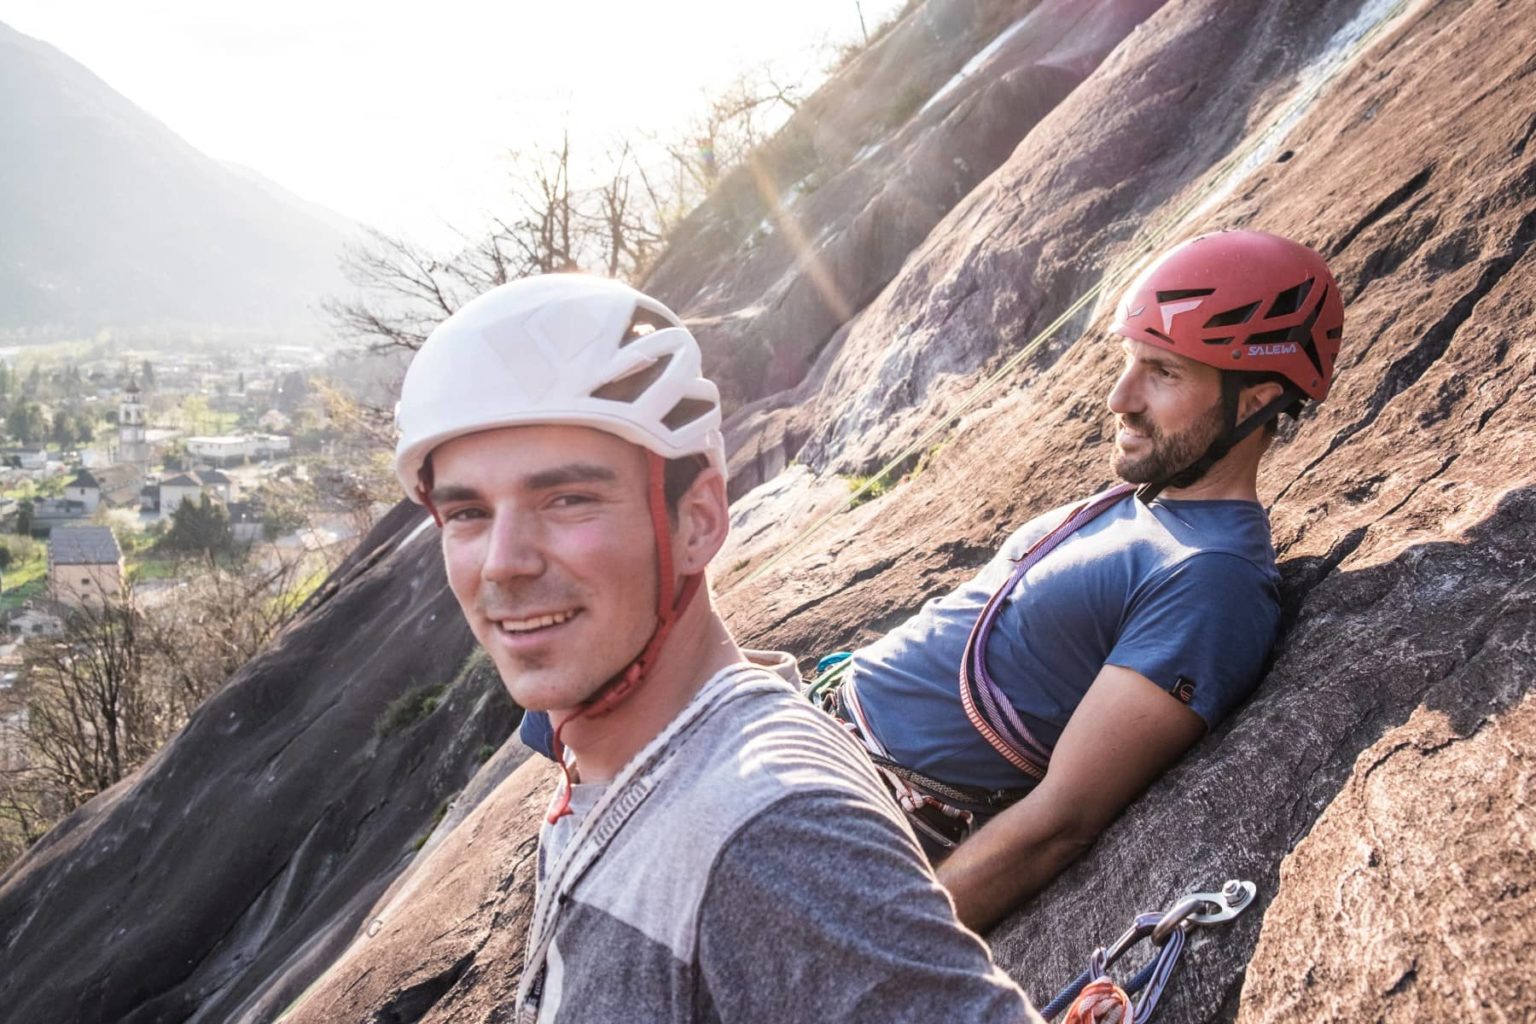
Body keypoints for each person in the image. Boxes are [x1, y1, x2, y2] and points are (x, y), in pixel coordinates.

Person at [520, 229, 1344, 937]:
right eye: (1130, 362)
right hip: (813, 733)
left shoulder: (1210, 581)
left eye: (1163, 374)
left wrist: (868, 951)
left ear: (1258, 398)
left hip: (842, 809)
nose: (1119, 397)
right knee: (582, 606)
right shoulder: (1142, 499)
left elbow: (1062, 821)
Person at [393, 274, 1043, 1023]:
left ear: (698, 520)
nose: (504, 561)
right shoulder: (620, 759)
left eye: (567, 499)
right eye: (468, 512)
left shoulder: (771, 835)